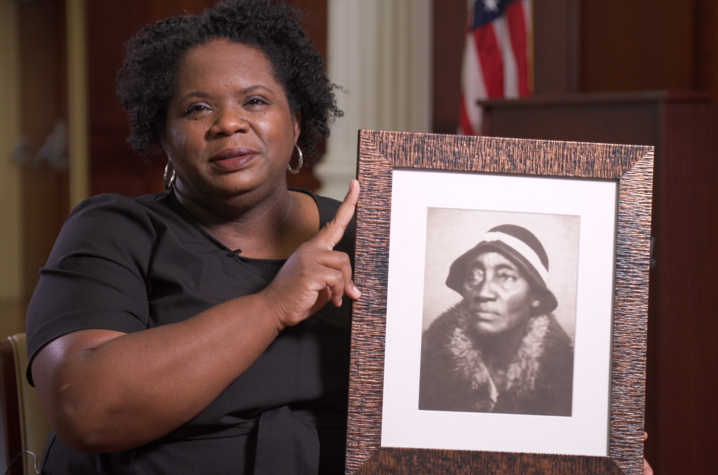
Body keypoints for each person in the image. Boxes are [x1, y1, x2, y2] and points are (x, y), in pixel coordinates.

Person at [25, 1, 358, 473]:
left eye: (256, 101)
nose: (228, 123)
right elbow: (85, 412)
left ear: (297, 120)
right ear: (163, 135)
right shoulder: (112, 232)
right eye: (197, 108)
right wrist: (272, 307)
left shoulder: (370, 237)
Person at [419, 224, 574, 416]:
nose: (483, 292)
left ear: (535, 297)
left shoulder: (570, 380)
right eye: (474, 275)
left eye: (506, 277)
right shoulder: (422, 365)